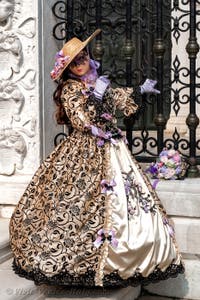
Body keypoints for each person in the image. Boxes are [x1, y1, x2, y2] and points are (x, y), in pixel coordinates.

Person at [9, 29, 184, 288]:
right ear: (67, 68)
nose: (81, 63)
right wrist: (96, 98)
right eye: (74, 61)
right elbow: (79, 119)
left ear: (89, 56)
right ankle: (79, 261)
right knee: (76, 203)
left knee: (126, 202)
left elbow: (116, 98)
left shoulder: (95, 81)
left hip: (112, 148)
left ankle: (127, 257)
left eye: (83, 57)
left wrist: (139, 90)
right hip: (83, 152)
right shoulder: (70, 89)